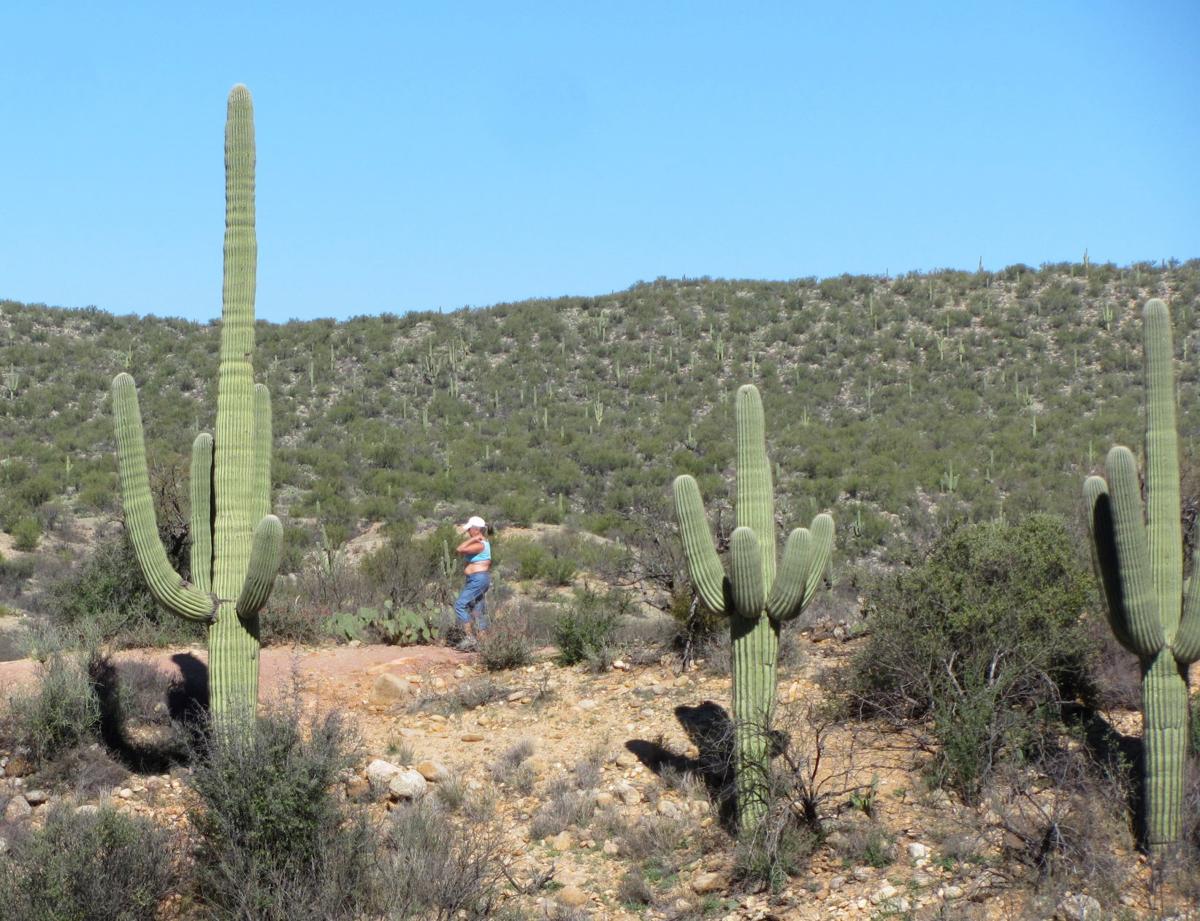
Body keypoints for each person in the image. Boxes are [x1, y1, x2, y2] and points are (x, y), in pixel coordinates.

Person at [453, 515, 491, 650]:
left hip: (478, 579)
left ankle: (470, 639)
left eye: (470, 529)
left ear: (476, 530)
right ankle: (484, 645)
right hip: (477, 579)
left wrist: (473, 539)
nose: (468, 532)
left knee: (460, 605)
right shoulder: (480, 543)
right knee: (477, 610)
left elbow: (459, 549)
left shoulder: (479, 544)